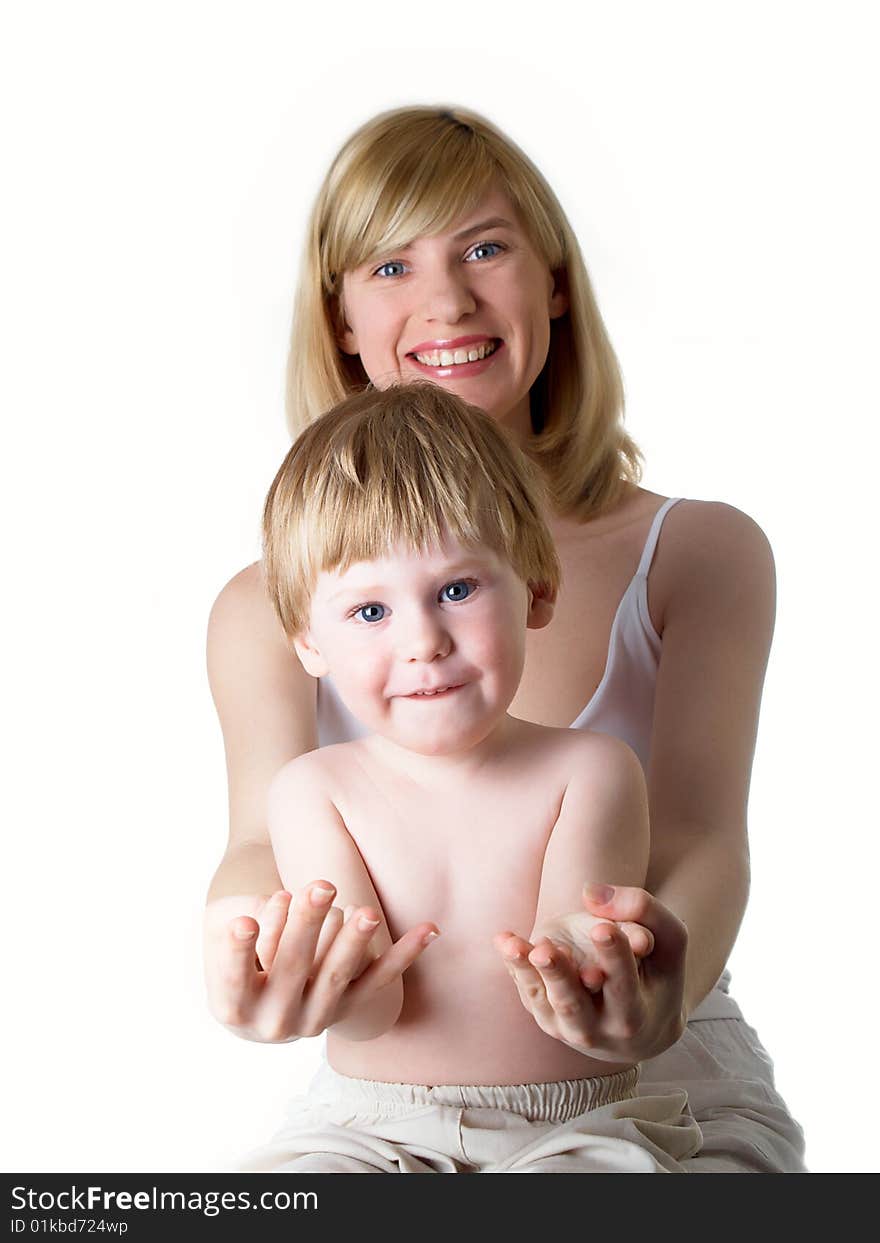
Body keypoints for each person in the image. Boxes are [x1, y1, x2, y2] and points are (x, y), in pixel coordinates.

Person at [205, 104, 807, 1173]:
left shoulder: (698, 550)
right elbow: (263, 836)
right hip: (394, 1092)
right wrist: (247, 951)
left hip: (657, 1071)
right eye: (389, 265)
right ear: (338, 316)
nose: (445, 299)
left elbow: (705, 836)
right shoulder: (263, 604)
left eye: (485, 248)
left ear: (556, 282)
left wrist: (648, 997)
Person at [237, 383, 703, 1173]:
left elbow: (569, 975)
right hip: (369, 1127)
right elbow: (376, 1006)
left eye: (457, 589)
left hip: (572, 1124)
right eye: (369, 612)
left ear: (537, 590)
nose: (423, 641)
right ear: (308, 643)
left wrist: (578, 960)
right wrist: (325, 980)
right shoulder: (315, 790)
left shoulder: (587, 770)